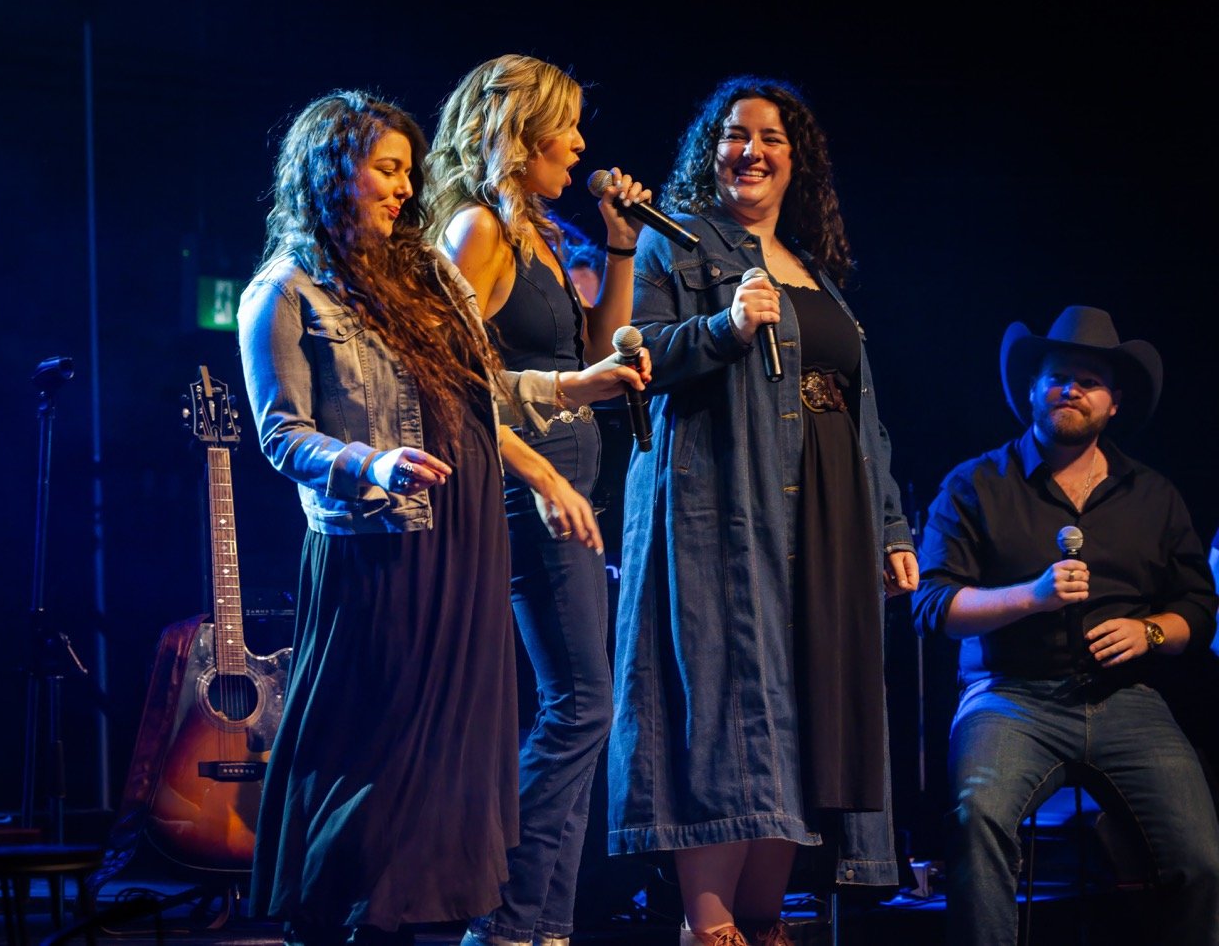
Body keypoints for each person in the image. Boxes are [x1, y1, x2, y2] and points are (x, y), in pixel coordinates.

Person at [237, 90, 638, 946]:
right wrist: (370, 463)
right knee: (370, 761)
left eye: (408, 172)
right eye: (386, 170)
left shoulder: (421, 274)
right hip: (378, 545)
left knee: (437, 773)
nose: (403, 189)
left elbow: (478, 392)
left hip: (464, 534)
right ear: (331, 171)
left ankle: (401, 927)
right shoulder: (283, 290)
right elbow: (282, 435)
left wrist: (573, 388)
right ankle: (329, 924)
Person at [606, 76, 919, 946]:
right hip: (723, 501)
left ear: (796, 161)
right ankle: (708, 922)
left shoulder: (812, 268)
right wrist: (725, 328)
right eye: (734, 136)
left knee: (801, 700)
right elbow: (633, 358)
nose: (750, 152)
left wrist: (890, 525)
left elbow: (862, 410)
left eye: (771, 138)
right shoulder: (675, 241)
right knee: (728, 691)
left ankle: (762, 917)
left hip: (829, 508)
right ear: (710, 152)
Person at [425, 54, 652, 946]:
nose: (583, 145)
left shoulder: (540, 233)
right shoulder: (478, 230)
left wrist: (621, 243)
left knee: (587, 709)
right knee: (581, 705)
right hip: (527, 493)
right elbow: (450, 382)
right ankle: (504, 920)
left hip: (572, 489)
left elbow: (597, 348)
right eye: (568, 127)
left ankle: (546, 925)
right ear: (520, 134)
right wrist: (542, 476)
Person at [912, 305, 1219, 946]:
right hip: (1008, 696)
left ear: (1114, 403)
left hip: (1125, 699)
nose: (1071, 390)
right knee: (976, 820)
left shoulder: (1154, 495)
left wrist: (1149, 632)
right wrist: (1031, 597)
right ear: (1032, 389)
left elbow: (1198, 606)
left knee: (1201, 859)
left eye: (1090, 381)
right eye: (1058, 377)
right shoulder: (974, 484)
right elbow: (935, 607)